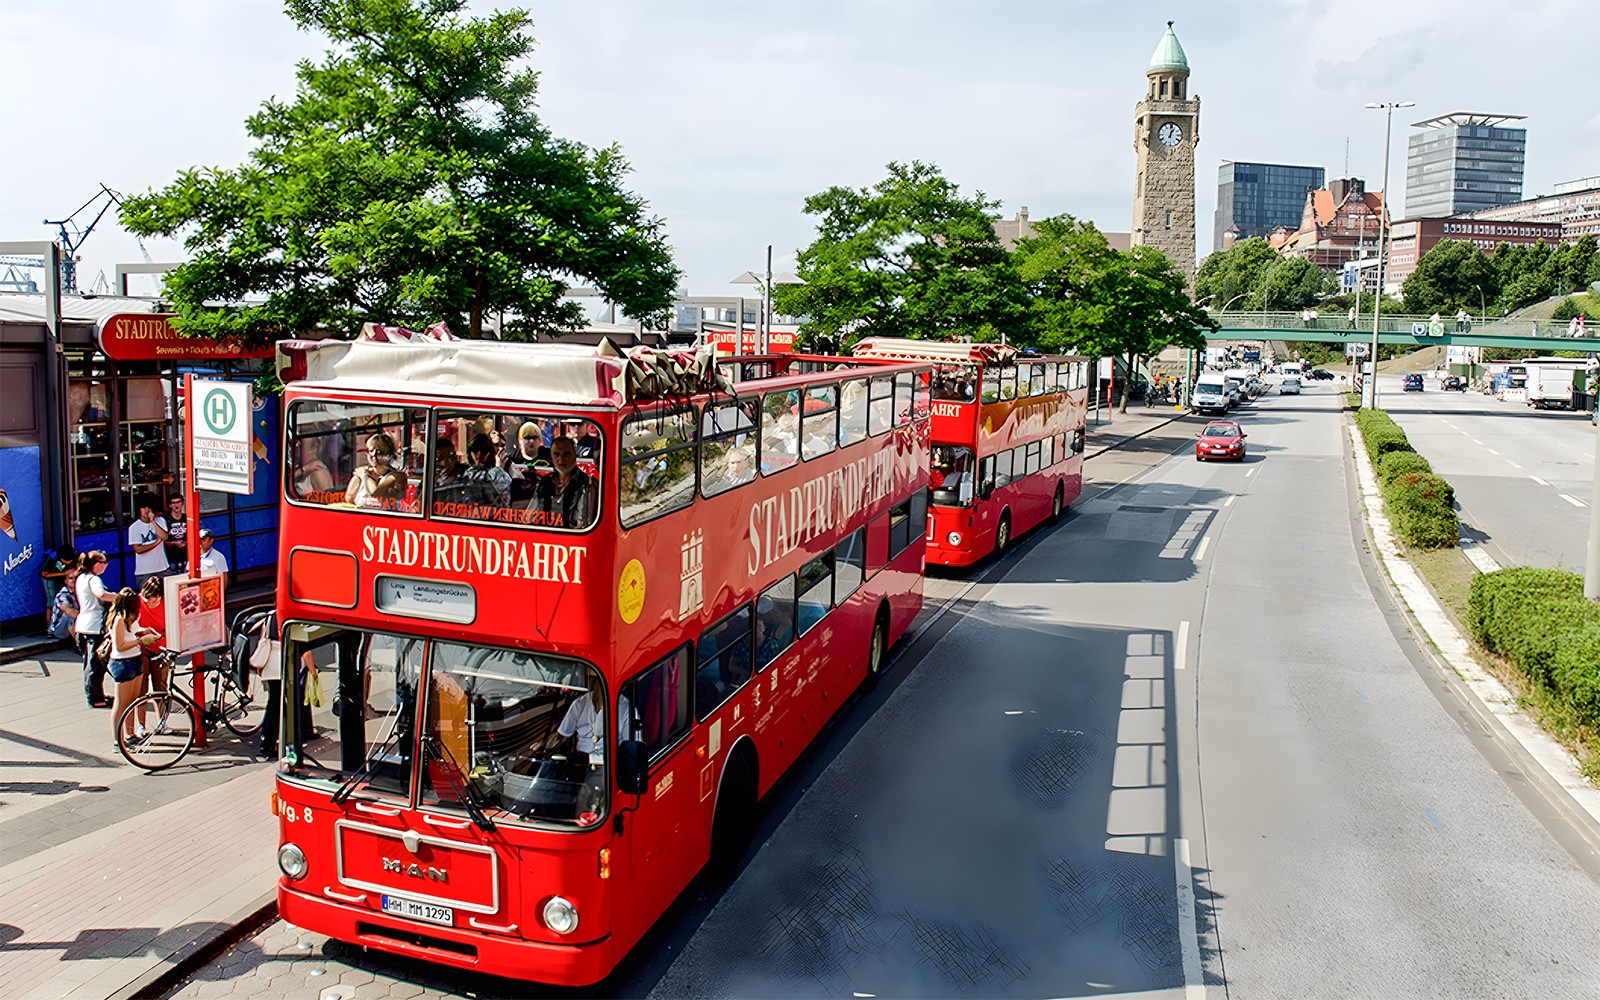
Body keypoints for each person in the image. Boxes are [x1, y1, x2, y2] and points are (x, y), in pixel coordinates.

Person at [106, 587, 160, 748]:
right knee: (121, 703)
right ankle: (118, 740)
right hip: (123, 663)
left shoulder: (129, 619)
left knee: (131, 701)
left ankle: (130, 734)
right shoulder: (119, 620)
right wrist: (142, 641)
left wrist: (146, 631)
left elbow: (134, 632)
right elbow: (120, 645)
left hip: (135, 660)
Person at [75, 551, 115, 707]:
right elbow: (101, 594)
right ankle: (95, 698)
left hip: (82, 624)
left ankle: (96, 694)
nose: (106, 565)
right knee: (96, 665)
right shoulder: (93, 579)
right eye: (104, 562)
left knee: (89, 663)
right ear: (96, 564)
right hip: (94, 626)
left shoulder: (80, 578)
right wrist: (119, 596)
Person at [533, 437, 593, 528]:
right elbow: (530, 516)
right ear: (551, 457)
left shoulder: (586, 483)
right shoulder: (544, 482)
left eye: (566, 454)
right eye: (556, 454)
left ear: (575, 455)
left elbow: (583, 525)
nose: (561, 460)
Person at [345, 432, 408, 507]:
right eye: (370, 451)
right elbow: (349, 498)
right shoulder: (360, 473)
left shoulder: (397, 476)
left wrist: (365, 476)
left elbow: (376, 494)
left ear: (389, 455)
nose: (373, 455)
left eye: (379, 452)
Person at [127, 496, 170, 588]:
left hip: (162, 568)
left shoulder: (160, 521)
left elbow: (165, 536)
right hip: (144, 572)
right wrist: (156, 543)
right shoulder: (134, 527)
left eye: (149, 507)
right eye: (144, 507)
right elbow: (138, 549)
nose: (147, 510)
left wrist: (153, 521)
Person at [136, 576, 169, 695]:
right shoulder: (137, 602)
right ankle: (141, 711)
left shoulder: (167, 604)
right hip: (141, 649)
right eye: (147, 598)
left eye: (155, 597)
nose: (151, 601)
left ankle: (162, 712)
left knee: (160, 685)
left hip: (161, 649)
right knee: (141, 684)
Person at [461, 433, 512, 507]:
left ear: (489, 453)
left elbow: (504, 499)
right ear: (470, 451)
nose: (479, 455)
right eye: (475, 450)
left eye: (483, 451)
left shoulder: (495, 473)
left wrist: (499, 470)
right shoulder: (464, 471)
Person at [48, 564, 80, 643]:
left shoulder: (81, 592)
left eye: (76, 578)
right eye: (70, 578)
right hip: (59, 630)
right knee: (70, 615)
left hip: (74, 625)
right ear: (65, 581)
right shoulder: (62, 595)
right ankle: (79, 645)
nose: (73, 580)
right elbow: (69, 611)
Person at [163, 495, 188, 570]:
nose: (176, 505)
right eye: (173, 503)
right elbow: (162, 541)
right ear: (169, 505)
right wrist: (175, 543)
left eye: (178, 502)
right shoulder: (165, 520)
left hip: (186, 557)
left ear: (182, 503)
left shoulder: (187, 518)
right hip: (171, 558)